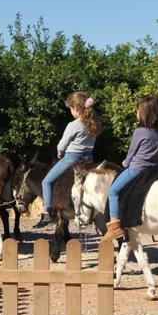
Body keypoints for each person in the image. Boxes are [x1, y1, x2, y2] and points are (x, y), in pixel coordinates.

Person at [103, 95, 158, 240]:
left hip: (137, 169)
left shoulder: (139, 132)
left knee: (113, 191)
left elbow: (131, 154)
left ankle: (114, 226)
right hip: (156, 169)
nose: (136, 113)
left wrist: (124, 164)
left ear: (144, 113)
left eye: (138, 111)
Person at [38, 92, 102, 226]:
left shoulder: (73, 125)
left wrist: (60, 152)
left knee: (46, 182)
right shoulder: (94, 122)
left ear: (76, 108)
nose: (71, 112)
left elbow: (62, 144)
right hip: (89, 158)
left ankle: (47, 212)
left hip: (71, 158)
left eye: (71, 109)